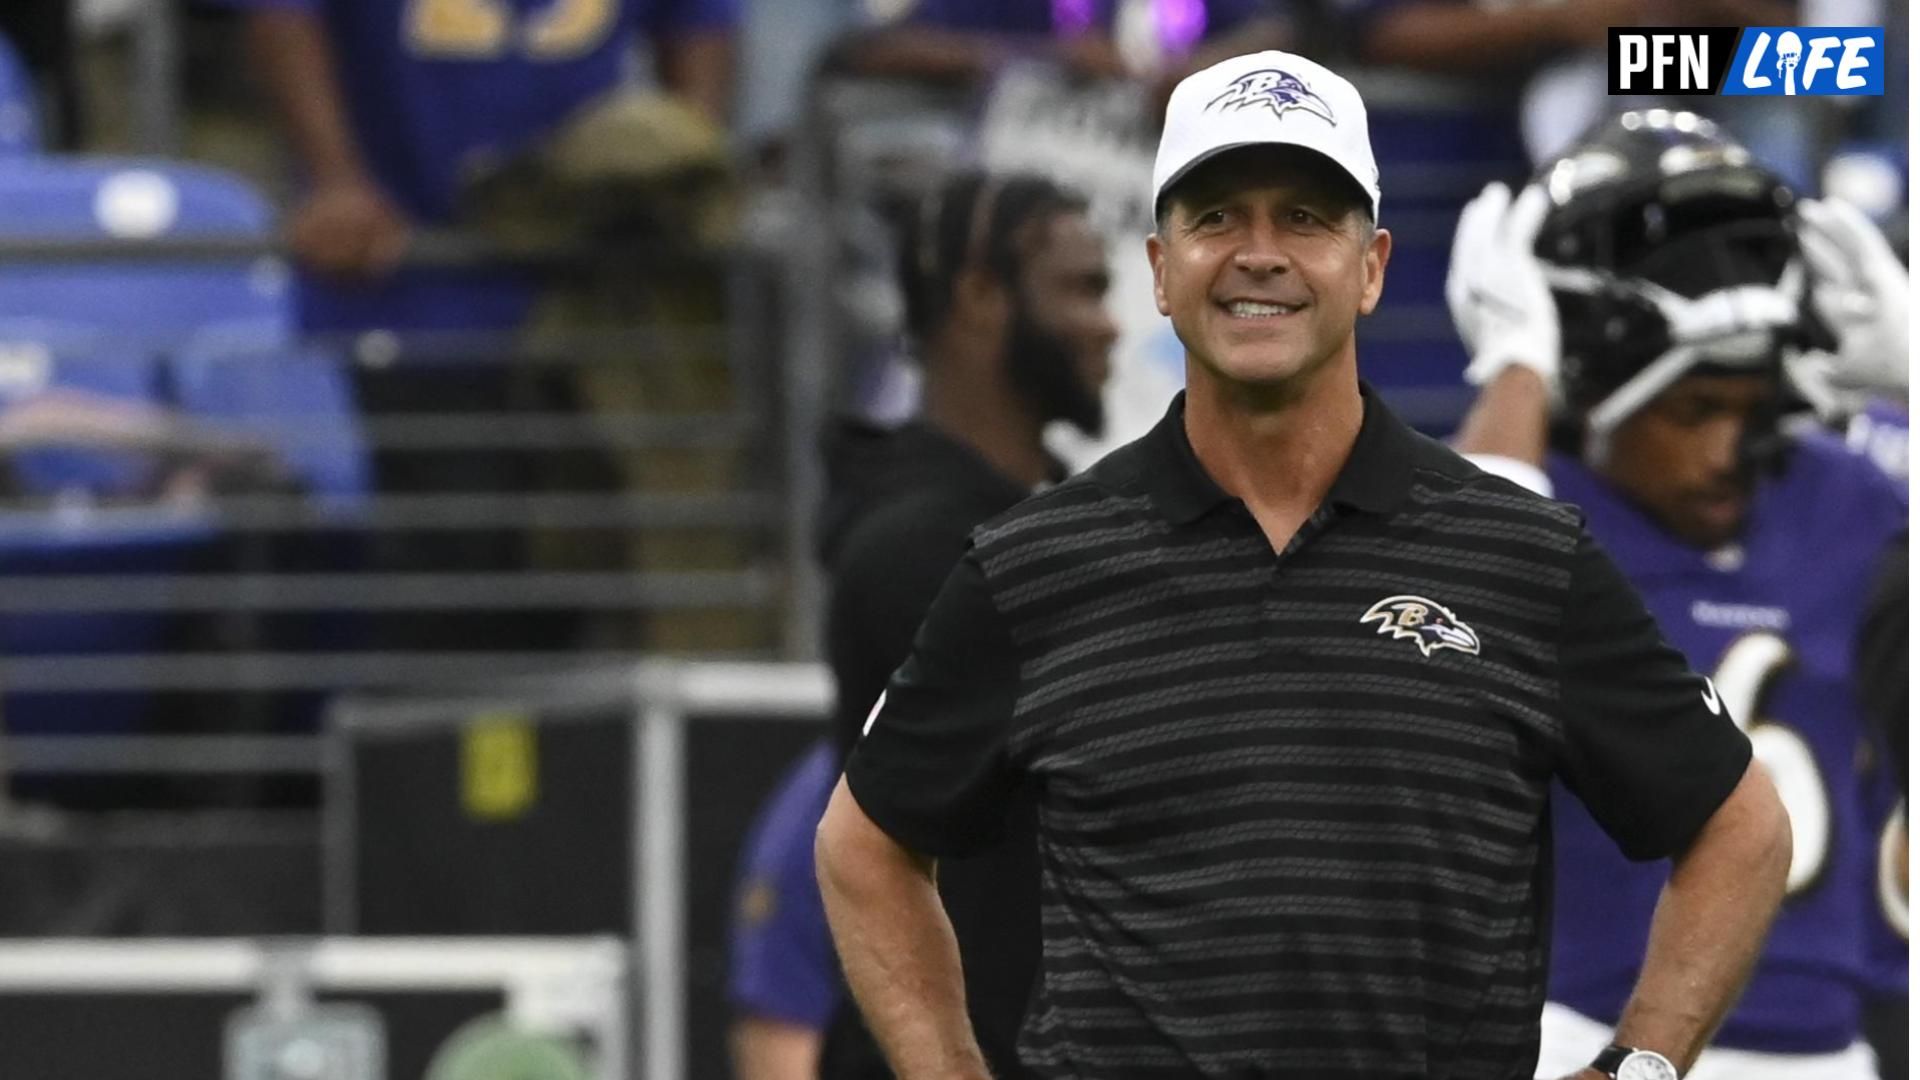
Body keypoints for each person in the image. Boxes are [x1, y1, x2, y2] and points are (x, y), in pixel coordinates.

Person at [816, 50, 1791, 1079]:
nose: (1259, 253)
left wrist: (1638, 1068)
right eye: (1218, 217)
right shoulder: (1035, 565)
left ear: (1371, 267)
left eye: (1306, 219)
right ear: (1158, 267)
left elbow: (1740, 824)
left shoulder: (1523, 557)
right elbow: (864, 843)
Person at [1445, 109, 1908, 1080]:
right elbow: (1452, 600)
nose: (1724, 453)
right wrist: (1518, 370)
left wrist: (1911, 394)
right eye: (1694, 408)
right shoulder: (1539, 514)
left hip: (1833, 1052)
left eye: (1750, 409)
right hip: (1589, 1039)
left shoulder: (1847, 496)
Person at [726, 169, 1117, 1080]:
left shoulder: (1041, 518)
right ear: (981, 298)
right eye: (1081, 289)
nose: (1109, 323)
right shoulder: (917, 551)